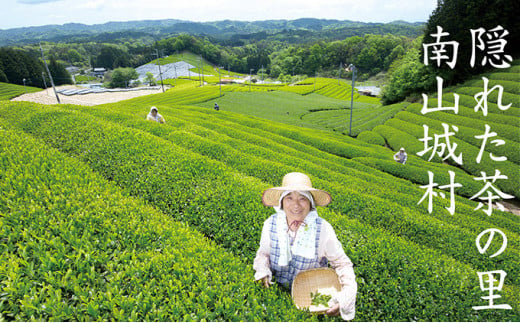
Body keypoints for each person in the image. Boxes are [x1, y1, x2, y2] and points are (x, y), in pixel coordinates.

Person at [253, 172, 357, 321]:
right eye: (289, 198)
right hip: (277, 295)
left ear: (310, 204)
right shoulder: (271, 224)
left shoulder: (323, 229)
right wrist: (262, 271)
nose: (296, 205)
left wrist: (345, 298)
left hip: (311, 303)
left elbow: (343, 264)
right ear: (282, 202)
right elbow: (263, 255)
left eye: (302, 198)